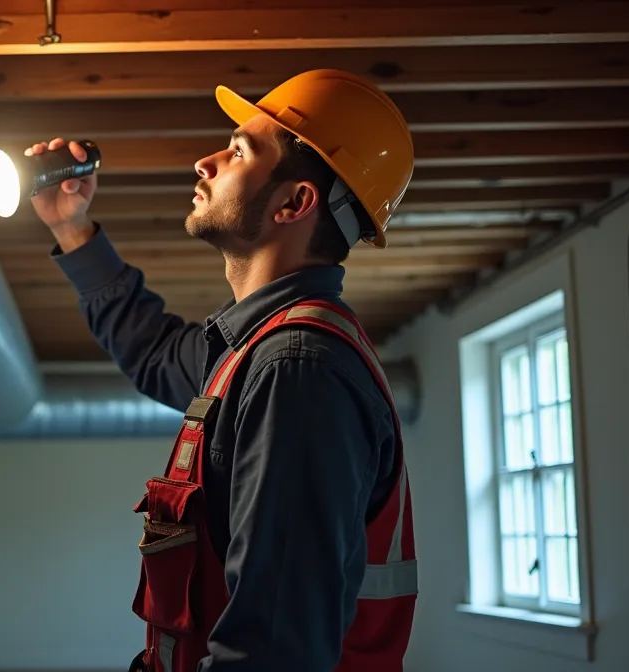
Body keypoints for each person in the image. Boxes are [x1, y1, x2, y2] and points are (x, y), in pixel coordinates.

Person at [25, 69, 419, 671]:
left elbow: (273, 651)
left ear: (295, 202)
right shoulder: (259, 350)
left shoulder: (296, 369)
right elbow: (155, 355)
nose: (204, 163)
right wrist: (71, 227)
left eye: (238, 151)